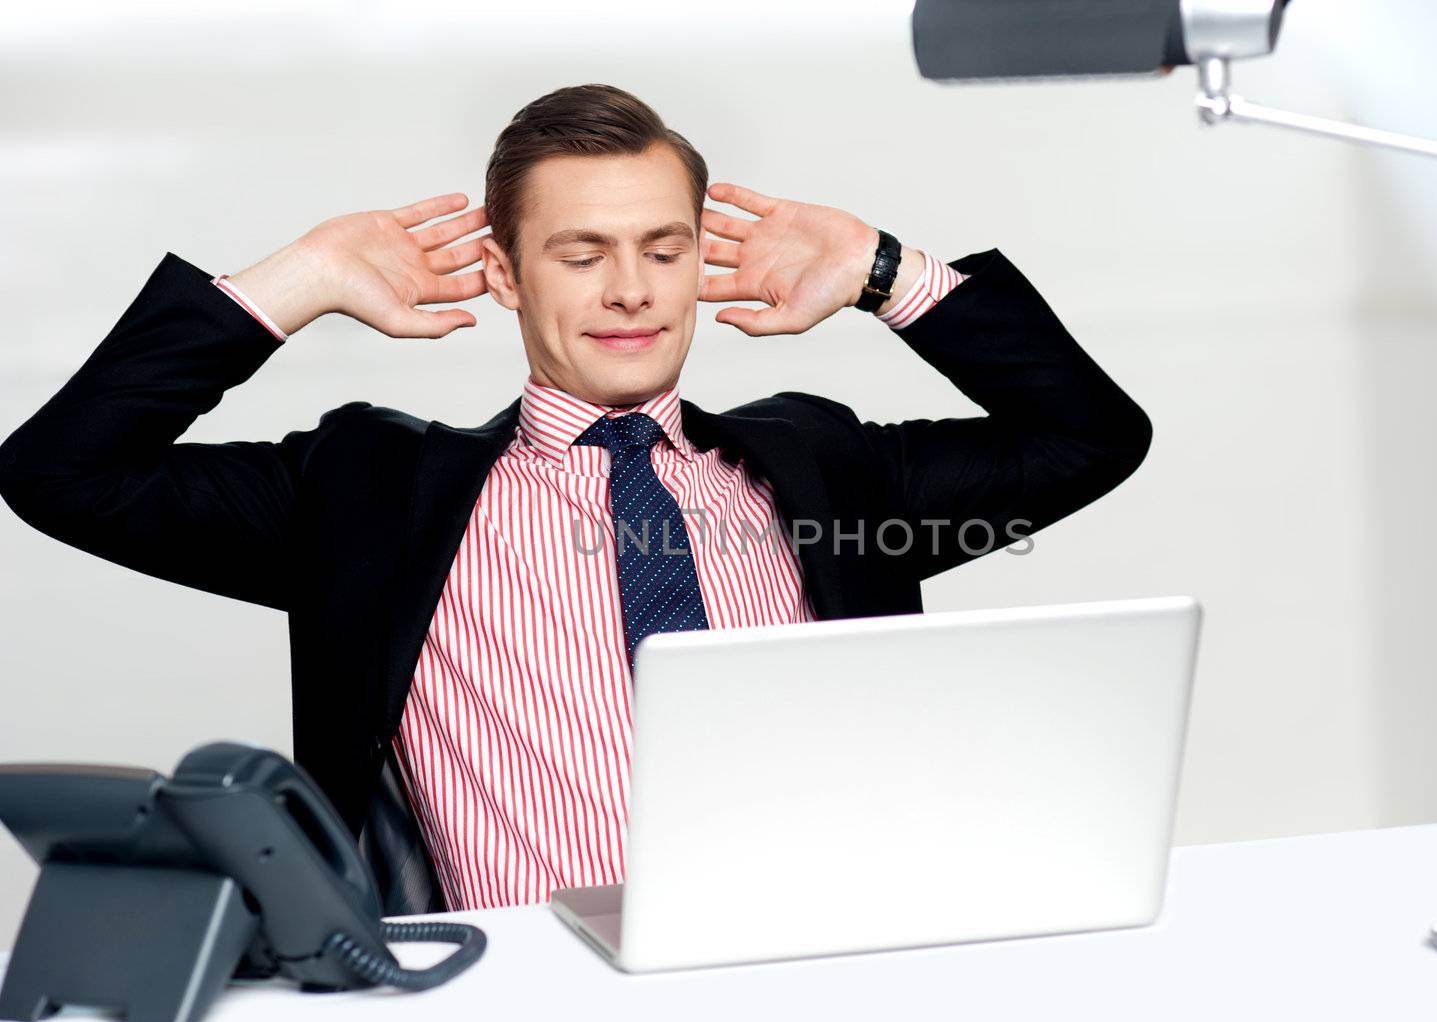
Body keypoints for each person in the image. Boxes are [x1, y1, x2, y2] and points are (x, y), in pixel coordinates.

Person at [0, 83, 1152, 915]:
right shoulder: (366, 496)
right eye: (581, 252)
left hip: (826, 963)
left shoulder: (827, 468)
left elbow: (1089, 437)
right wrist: (293, 283)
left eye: (663, 247)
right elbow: (61, 473)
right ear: (504, 273)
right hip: (522, 1009)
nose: (630, 291)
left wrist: (888, 273)